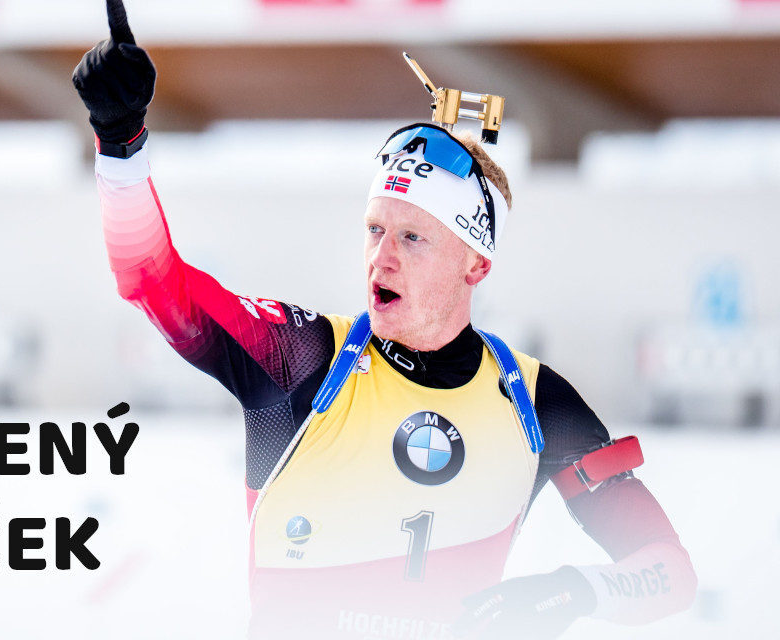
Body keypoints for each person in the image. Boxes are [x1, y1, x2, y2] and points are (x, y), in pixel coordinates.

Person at [73, 2, 697, 638]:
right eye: (374, 230)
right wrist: (121, 143)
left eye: (412, 238)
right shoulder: (303, 357)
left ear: (476, 264)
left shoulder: (534, 402)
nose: (382, 257)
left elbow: (671, 572)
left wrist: (569, 591)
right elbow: (152, 280)